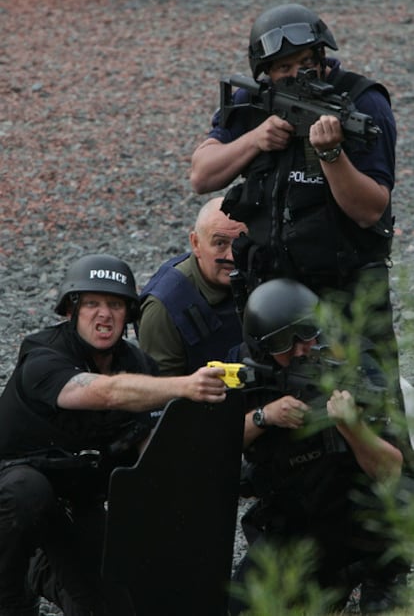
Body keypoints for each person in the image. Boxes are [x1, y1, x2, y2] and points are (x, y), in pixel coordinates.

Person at [190, 3, 401, 404]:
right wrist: (255, 139)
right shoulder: (252, 103)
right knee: (274, 410)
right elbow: (202, 175)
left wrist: (332, 156)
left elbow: (371, 210)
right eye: (282, 68)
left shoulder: (363, 103)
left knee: (372, 413)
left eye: (305, 62)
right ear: (265, 73)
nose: (295, 75)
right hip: (271, 295)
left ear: (322, 56)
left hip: (347, 298)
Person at [0, 254, 226, 616]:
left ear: (128, 315)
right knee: (25, 493)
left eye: (115, 304)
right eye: (91, 303)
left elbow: (150, 454)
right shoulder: (42, 355)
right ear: (71, 311)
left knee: (112, 608)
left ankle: (40, 570)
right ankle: (10, 596)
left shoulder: (140, 368)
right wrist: (186, 386)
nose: (103, 314)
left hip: (79, 500)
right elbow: (101, 392)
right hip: (14, 488)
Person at [227, 278, 412, 615]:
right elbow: (211, 451)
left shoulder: (356, 365)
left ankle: (380, 577)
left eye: (308, 332)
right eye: (285, 341)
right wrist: (262, 416)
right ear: (261, 346)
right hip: (296, 523)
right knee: (241, 605)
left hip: (360, 522)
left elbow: (392, 470)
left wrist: (352, 428)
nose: (301, 349)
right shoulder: (243, 371)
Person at [139, 196, 247, 375]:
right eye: (220, 243)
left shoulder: (260, 273)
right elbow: (161, 394)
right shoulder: (165, 306)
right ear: (196, 243)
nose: (232, 256)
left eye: (240, 242)